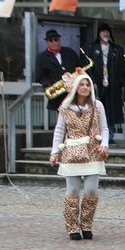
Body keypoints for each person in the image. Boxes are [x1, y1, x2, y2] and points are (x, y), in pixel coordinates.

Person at [49, 71, 108, 240]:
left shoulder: (98, 106)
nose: (85, 88)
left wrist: (104, 144)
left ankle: (86, 224)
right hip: (72, 152)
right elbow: (59, 130)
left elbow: (104, 128)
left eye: (87, 84)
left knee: (91, 190)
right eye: (81, 84)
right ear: (75, 87)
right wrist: (55, 151)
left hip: (92, 151)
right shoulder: (65, 107)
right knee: (73, 190)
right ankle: (72, 226)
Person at [87, 22, 125, 138]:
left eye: (107, 32)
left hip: (113, 84)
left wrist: (120, 83)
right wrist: (92, 81)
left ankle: (110, 135)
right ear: (99, 34)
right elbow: (88, 66)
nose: (105, 34)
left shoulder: (117, 49)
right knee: (97, 109)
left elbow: (121, 68)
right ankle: (97, 136)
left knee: (111, 110)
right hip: (97, 83)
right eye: (103, 31)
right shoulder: (91, 48)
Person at [37, 29, 82, 112]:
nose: (53, 42)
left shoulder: (70, 52)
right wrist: (50, 84)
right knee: (62, 119)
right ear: (47, 42)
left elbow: (79, 67)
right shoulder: (42, 58)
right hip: (58, 94)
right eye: (51, 40)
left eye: (56, 39)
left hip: (73, 92)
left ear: (59, 40)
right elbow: (39, 76)